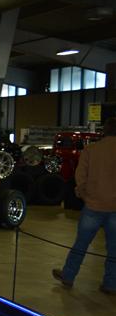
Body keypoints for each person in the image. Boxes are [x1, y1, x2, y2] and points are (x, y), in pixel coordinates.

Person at [53, 116, 116, 295]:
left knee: (81, 244)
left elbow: (80, 175)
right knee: (114, 249)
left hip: (93, 205)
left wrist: (84, 195)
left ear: (105, 130)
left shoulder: (91, 150)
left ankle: (68, 275)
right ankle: (111, 284)